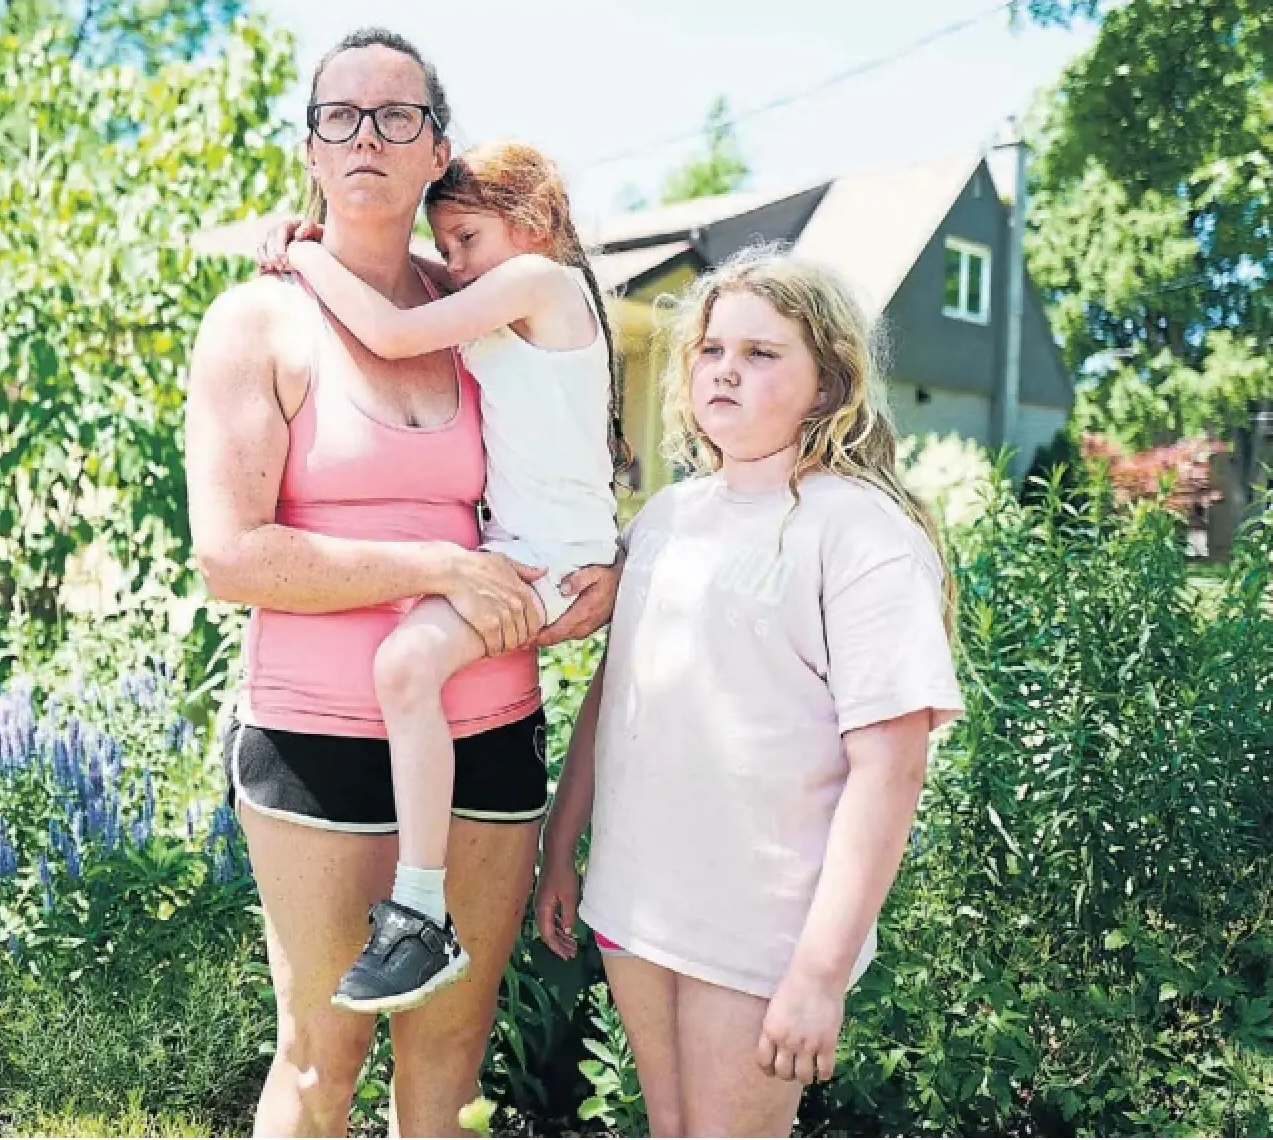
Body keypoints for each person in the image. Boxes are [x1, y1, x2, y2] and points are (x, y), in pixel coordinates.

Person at [184, 27, 619, 1136]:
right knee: (321, 1064)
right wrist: (434, 568)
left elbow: (571, 457)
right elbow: (228, 556)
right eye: (340, 116)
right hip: (318, 734)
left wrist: (594, 583)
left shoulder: (479, 304)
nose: (365, 134)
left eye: (396, 115)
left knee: (446, 1068)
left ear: (437, 150)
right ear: (311, 151)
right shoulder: (260, 319)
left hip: (491, 728)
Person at [533, 245, 964, 1136]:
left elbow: (890, 770)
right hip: (637, 903)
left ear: (829, 382)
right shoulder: (664, 519)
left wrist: (818, 971)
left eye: (763, 353)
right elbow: (617, 693)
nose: (727, 369)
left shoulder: (860, 535)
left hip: (762, 930)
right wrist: (560, 844)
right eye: (713, 349)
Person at [256, 139, 623, 1013]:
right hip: (542, 551)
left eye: (467, 240)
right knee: (409, 670)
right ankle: (419, 911)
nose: (453, 265)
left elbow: (389, 328)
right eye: (445, 246)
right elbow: (415, 282)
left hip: (548, 563)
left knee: (404, 667)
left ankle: (420, 913)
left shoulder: (541, 285)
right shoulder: (520, 288)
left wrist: (306, 253)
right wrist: (333, 239)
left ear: (530, 224)